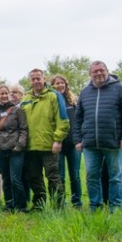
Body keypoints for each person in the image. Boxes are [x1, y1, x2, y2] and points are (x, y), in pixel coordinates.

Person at [73, 61, 122, 211]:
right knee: (92, 176)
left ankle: (115, 206)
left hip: (113, 142)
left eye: (101, 70)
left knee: (115, 176)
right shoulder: (85, 92)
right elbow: (78, 118)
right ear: (90, 74)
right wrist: (77, 139)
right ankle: (95, 205)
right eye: (95, 71)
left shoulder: (119, 89)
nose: (98, 73)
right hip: (90, 144)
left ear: (107, 71)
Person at [20, 69, 69, 210]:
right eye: (33, 79)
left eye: (38, 78)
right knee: (34, 177)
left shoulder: (54, 96)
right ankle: (39, 204)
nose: (36, 81)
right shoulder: (26, 98)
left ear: (44, 79)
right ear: (30, 81)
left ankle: (58, 206)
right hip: (30, 146)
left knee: (53, 177)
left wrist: (58, 140)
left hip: (49, 145)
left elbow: (63, 120)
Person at [0, 85, 28, 212]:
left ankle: (21, 206)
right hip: (0, 150)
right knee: (6, 179)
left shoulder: (17, 110)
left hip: (15, 150)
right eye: (1, 93)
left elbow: (23, 129)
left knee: (15, 179)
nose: (4, 95)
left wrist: (20, 145)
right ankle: (9, 205)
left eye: (6, 93)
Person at [49, 74, 82, 208]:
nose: (60, 85)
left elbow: (80, 121)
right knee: (60, 176)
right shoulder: (52, 101)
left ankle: (77, 202)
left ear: (66, 85)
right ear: (52, 86)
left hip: (73, 144)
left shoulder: (74, 101)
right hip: (59, 144)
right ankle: (62, 202)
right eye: (57, 83)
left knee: (75, 175)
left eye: (62, 83)